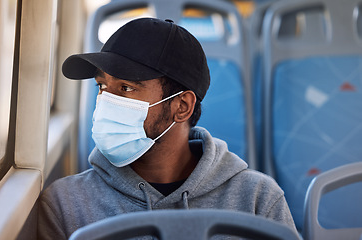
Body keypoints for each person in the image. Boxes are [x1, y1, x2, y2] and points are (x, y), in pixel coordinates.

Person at [37, 18, 297, 239]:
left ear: (181, 106)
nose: (106, 101)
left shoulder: (256, 200)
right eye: (102, 87)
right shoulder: (66, 205)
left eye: (126, 88)